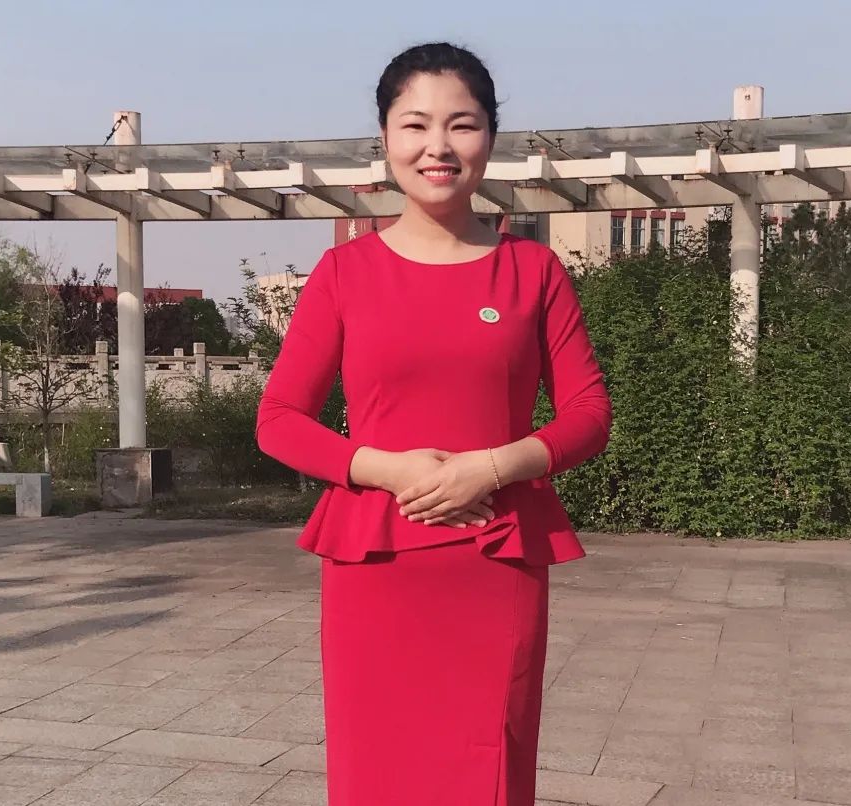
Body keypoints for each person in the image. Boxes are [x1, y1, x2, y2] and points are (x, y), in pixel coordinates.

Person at [256, 41, 611, 806]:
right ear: (386, 139)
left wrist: (491, 466)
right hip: (377, 563)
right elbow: (279, 419)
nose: (438, 147)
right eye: (415, 125)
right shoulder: (345, 273)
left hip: (495, 557)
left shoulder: (533, 272)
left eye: (462, 124)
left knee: (490, 761)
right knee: (377, 765)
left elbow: (589, 415)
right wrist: (388, 468)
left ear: (490, 138)